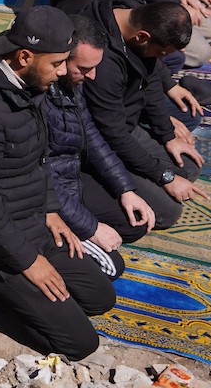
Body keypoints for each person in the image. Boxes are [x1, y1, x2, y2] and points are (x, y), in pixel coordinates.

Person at [0, 6, 115, 359]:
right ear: (24, 56)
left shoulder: (22, 86)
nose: (63, 72)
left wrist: (50, 209)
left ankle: (8, 284)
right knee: (79, 344)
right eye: (57, 63)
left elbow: (36, 158)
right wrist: (28, 262)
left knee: (99, 297)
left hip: (29, 222)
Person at [83, 0, 208, 231]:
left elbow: (149, 78)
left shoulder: (133, 15)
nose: (161, 62)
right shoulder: (102, 61)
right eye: (160, 53)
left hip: (125, 126)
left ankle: (139, 172)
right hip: (100, 143)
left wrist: (167, 134)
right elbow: (113, 134)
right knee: (168, 212)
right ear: (142, 37)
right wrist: (163, 176)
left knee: (189, 167)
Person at [44, 15, 156, 267]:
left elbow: (90, 134)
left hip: (69, 174)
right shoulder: (37, 94)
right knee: (111, 268)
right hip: (44, 194)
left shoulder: (71, 83)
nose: (92, 76)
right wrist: (90, 227)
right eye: (83, 69)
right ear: (60, 60)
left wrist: (124, 188)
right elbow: (39, 173)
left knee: (135, 223)